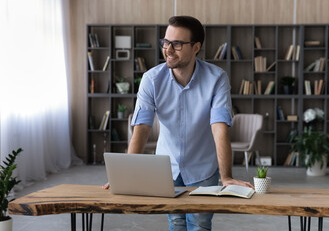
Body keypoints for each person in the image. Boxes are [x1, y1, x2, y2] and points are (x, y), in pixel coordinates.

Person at [103, 15, 254, 231]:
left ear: (196, 47)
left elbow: (220, 129)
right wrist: (125, 175)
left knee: (200, 225)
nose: (168, 49)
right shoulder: (151, 79)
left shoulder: (217, 79)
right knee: (175, 223)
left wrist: (226, 176)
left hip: (203, 167)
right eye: (165, 42)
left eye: (177, 44)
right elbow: (142, 129)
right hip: (168, 167)